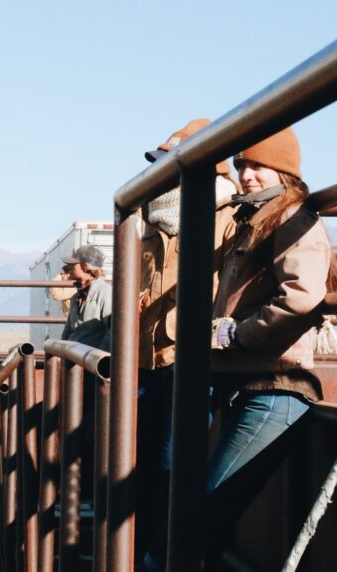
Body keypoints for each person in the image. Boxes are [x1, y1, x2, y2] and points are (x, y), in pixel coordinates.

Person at [205, 126, 337, 567]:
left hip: (276, 386)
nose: (247, 175)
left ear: (284, 171)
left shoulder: (291, 215)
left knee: (207, 511)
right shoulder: (255, 218)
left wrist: (238, 334)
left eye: (259, 166)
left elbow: (301, 296)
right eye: (243, 165)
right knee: (209, 510)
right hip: (252, 383)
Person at [136, 118, 241, 568]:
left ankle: (164, 556)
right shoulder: (153, 221)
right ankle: (142, 552)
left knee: (170, 465)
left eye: (168, 161)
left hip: (190, 356)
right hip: (147, 358)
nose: (160, 172)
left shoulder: (225, 214)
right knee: (142, 465)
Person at [60, 245, 111, 350]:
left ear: (85, 267)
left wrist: (100, 359)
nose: (68, 267)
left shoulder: (105, 293)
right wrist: (61, 352)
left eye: (73, 264)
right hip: (74, 356)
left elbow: (112, 331)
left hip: (92, 360)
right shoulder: (76, 297)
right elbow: (68, 330)